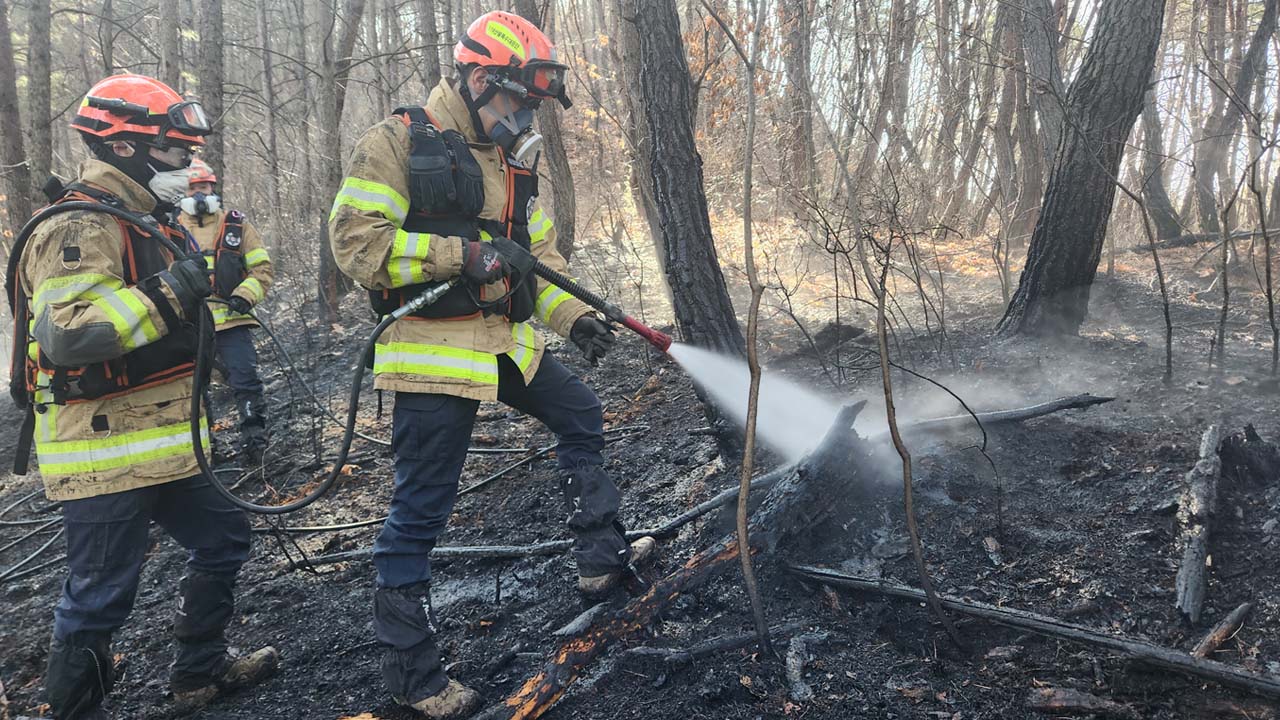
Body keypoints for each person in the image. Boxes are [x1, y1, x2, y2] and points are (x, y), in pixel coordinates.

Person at [328, 11, 653, 719]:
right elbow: (356, 244)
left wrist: (575, 320)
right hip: (434, 354)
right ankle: (411, 681)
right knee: (420, 510)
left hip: (504, 342)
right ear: (479, 78)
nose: (526, 113)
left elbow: (542, 261)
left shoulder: (516, 163)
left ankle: (600, 562)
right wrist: (462, 256)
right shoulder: (395, 144)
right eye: (518, 98)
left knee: (580, 414)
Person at [6, 73, 277, 719]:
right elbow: (72, 335)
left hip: (164, 444)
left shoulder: (146, 220)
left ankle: (198, 675)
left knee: (224, 536)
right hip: (101, 453)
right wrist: (181, 286)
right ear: (128, 148)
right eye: (177, 152)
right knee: (100, 597)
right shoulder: (76, 226)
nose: (189, 167)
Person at [177, 158, 274, 462]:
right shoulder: (170, 229)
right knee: (194, 389)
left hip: (233, 320)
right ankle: (205, 449)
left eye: (203, 187)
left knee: (245, 380)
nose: (198, 194)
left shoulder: (236, 225)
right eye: (192, 188)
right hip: (191, 326)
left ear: (213, 187)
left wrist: (245, 295)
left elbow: (262, 268)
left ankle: (254, 440)